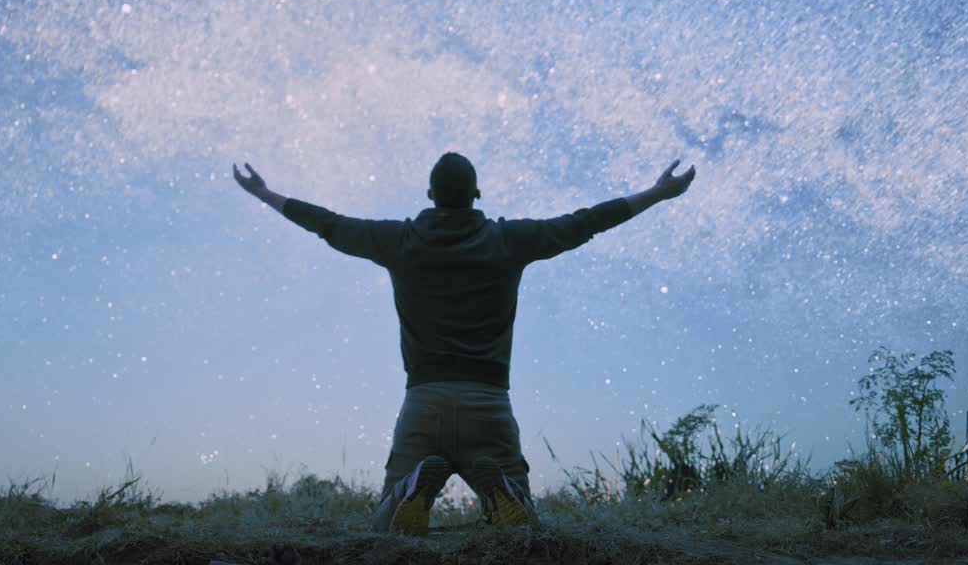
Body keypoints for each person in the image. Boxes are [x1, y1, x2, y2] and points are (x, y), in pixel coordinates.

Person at [232, 152, 695, 534]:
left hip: (423, 404)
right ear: (477, 194)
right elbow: (583, 223)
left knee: (383, 531)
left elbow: (328, 224)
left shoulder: (399, 241)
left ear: (430, 195)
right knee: (524, 534)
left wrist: (263, 193)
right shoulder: (509, 240)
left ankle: (409, 490)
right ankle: (503, 496)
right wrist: (656, 193)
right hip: (488, 406)